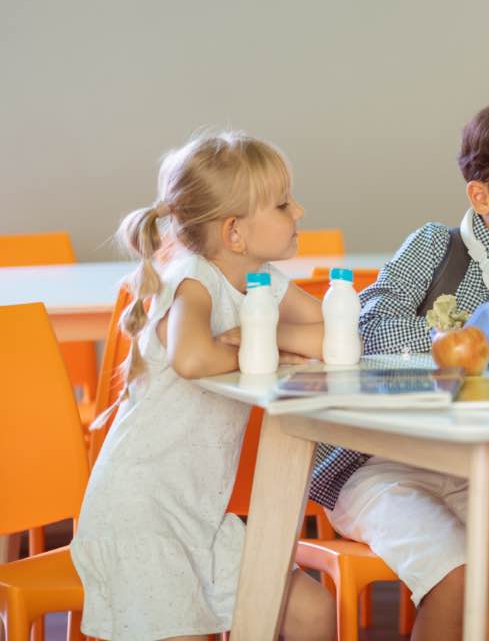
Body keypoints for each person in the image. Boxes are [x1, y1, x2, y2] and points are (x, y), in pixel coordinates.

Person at [309, 102, 489, 640]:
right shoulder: (436, 247)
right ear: (482, 196)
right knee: (457, 576)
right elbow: (369, 326)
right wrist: (466, 342)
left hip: (468, 465)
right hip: (374, 464)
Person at [72, 130, 334, 641]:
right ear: (234, 233)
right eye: (283, 204)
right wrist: (268, 345)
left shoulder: (260, 278)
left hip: (201, 517)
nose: (299, 212)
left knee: (311, 612)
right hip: (143, 516)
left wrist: (267, 335)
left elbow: (333, 332)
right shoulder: (190, 277)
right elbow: (191, 358)